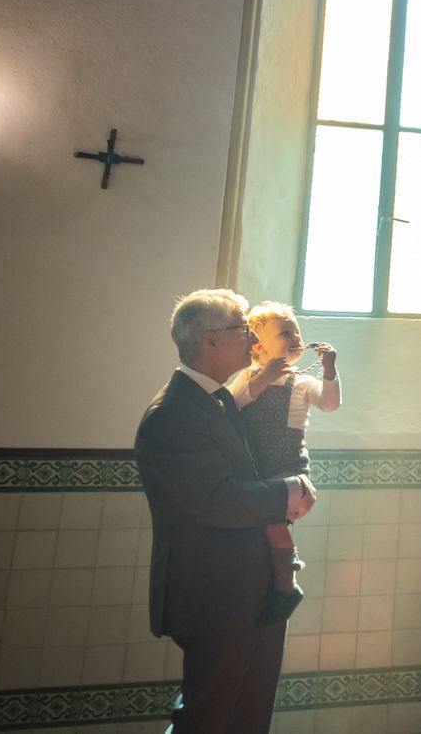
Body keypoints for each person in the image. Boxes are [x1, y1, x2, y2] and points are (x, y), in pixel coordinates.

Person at [135, 289, 317, 734]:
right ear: (210, 341)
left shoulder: (218, 400)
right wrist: (288, 491)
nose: (251, 339)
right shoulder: (173, 413)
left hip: (251, 589)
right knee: (209, 716)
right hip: (214, 594)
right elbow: (216, 501)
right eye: (242, 330)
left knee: (247, 713)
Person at [228, 301, 342, 619]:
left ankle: (286, 586)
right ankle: (281, 572)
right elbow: (233, 404)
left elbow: (329, 404)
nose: (294, 336)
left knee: (274, 522)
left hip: (288, 468)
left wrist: (330, 371)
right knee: (264, 526)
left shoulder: (301, 382)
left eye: (296, 331)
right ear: (257, 346)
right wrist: (262, 379)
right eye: (284, 332)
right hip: (253, 469)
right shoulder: (246, 378)